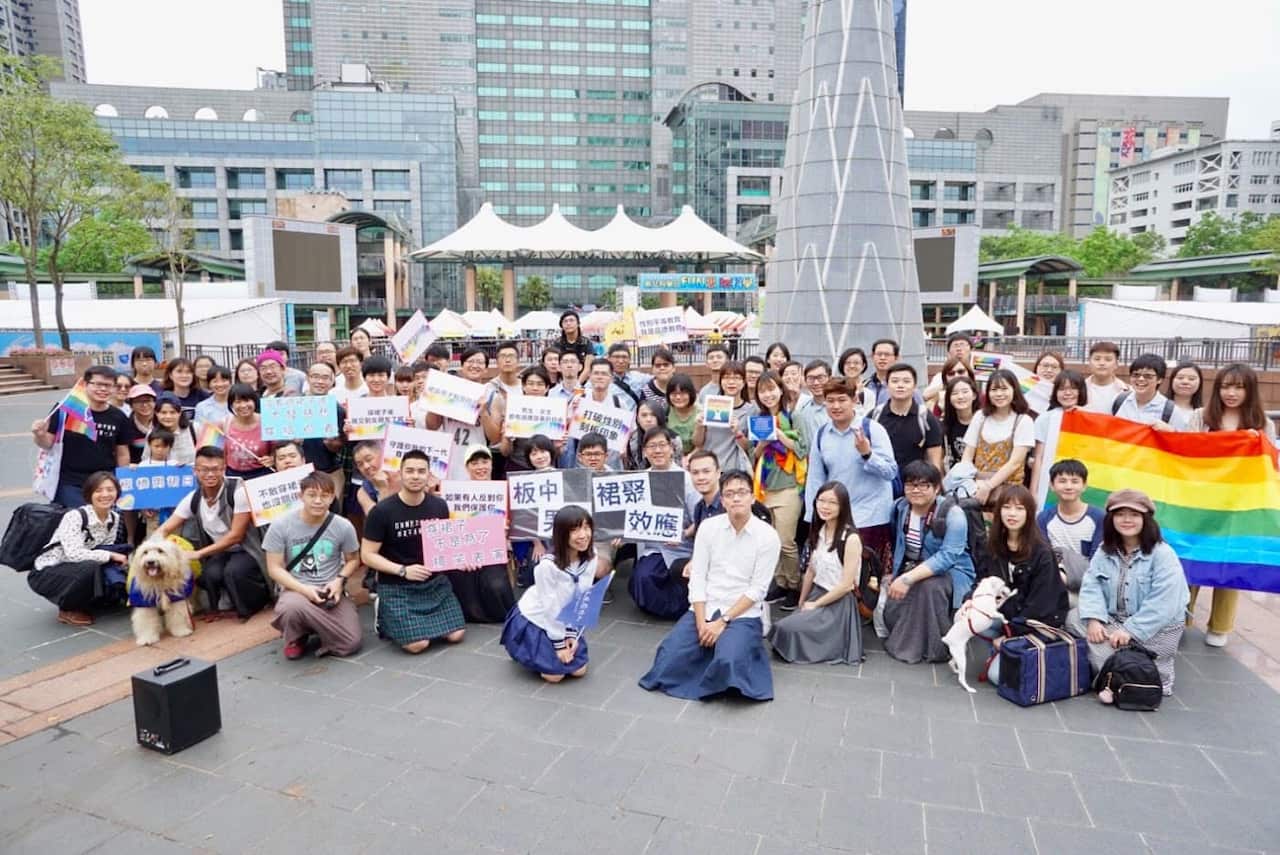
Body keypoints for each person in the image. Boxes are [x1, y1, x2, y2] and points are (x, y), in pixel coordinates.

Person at [639, 469, 780, 701]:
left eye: (742, 492)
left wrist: (722, 622)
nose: (736, 498)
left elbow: (758, 589)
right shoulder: (709, 527)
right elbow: (699, 577)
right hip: (707, 605)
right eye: (730, 493)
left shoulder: (767, 536)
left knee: (728, 661)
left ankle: (735, 652)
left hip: (741, 612)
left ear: (753, 497)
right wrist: (702, 622)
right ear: (722, 500)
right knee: (668, 658)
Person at [1185, 363, 1276, 647]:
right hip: (1199, 503)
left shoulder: (1262, 424)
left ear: (1250, 390)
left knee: (1232, 561)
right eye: (1225, 386)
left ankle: (1220, 626)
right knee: (1189, 558)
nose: (1231, 393)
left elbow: (1269, 470)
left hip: (1239, 506)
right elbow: (1184, 456)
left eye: (1238, 387)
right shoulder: (1201, 417)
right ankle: (1180, 616)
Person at [1077, 489, 1189, 697]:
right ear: (1111, 519)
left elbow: (1165, 604)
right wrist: (1094, 619)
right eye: (1120, 514)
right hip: (1114, 622)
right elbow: (1091, 585)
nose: (1126, 520)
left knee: (1092, 653)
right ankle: (1121, 671)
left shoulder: (1163, 554)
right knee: (1073, 617)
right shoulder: (1105, 549)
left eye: (1134, 515)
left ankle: (1128, 675)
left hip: (1154, 631)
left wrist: (1131, 631)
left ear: (1146, 519)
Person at [360, 449, 467, 654]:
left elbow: (444, 545)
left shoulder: (439, 506)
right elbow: (367, 555)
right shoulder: (382, 511)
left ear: (429, 475)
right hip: (397, 585)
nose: (415, 476)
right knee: (418, 645)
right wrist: (402, 570)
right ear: (400, 474)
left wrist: (460, 558)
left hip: (434, 583)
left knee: (456, 635)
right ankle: (383, 613)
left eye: (421, 471)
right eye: (409, 471)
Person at [156, 446, 270, 620]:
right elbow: (166, 527)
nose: (210, 474)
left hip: (246, 548)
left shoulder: (238, 491)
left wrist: (198, 553)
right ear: (196, 471)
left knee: (233, 571)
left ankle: (255, 604)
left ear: (223, 469)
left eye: (215, 469)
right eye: (204, 470)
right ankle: (217, 608)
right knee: (208, 574)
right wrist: (150, 547)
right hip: (221, 551)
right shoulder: (193, 498)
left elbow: (236, 536)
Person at [502, 505, 613, 682]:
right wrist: (559, 643)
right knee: (554, 676)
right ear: (561, 534)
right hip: (539, 619)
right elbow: (550, 607)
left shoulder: (591, 557)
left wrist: (572, 633)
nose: (583, 535)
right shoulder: (547, 566)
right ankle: (522, 648)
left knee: (579, 670)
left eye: (586, 527)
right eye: (575, 530)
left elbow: (581, 596)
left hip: (565, 617)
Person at [882, 461, 975, 664]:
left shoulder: (953, 514)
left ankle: (937, 648)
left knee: (928, 588)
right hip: (913, 566)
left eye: (924, 485)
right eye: (910, 484)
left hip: (954, 571)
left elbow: (947, 557)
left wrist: (907, 579)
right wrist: (895, 573)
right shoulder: (900, 508)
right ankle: (911, 639)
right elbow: (897, 543)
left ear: (937, 488)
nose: (916, 490)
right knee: (894, 604)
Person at [264, 471, 362, 659]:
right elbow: (274, 568)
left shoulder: (343, 526)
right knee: (291, 608)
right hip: (297, 589)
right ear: (300, 496)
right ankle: (297, 635)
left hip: (330, 590)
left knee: (351, 643)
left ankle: (319, 631)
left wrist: (339, 581)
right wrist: (304, 589)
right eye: (312, 495)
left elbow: (353, 560)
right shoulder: (280, 525)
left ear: (332, 497)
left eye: (325, 495)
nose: (318, 501)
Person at [803, 377, 897, 569]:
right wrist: (814, 517)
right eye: (830, 401)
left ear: (854, 400)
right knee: (834, 572)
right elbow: (815, 479)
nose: (836, 406)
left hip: (871, 516)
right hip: (837, 516)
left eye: (842, 400)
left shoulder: (873, 429)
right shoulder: (822, 434)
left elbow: (890, 472)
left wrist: (867, 454)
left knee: (866, 577)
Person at [769, 481, 864, 665]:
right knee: (781, 627)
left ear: (843, 506)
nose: (825, 507)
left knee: (788, 630)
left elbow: (846, 586)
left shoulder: (850, 538)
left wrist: (815, 605)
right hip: (817, 594)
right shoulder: (820, 530)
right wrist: (802, 601)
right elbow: (811, 570)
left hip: (838, 603)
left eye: (832, 502)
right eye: (821, 500)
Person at [28, 471, 128, 626]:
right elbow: (73, 555)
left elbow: (105, 547)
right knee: (91, 565)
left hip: (77, 567)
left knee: (103, 564)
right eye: (99, 490)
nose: (105, 494)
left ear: (117, 493)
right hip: (48, 572)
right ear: (89, 494)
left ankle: (91, 599)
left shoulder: (114, 518)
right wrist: (110, 555)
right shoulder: (75, 516)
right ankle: (67, 609)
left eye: (110, 490)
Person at [31, 365, 131, 508]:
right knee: (76, 521)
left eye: (108, 385)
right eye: (97, 384)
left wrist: (123, 480)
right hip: (70, 482)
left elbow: (122, 453)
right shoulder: (65, 410)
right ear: (85, 384)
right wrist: (39, 435)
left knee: (105, 524)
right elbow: (48, 443)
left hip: (104, 482)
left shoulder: (119, 417)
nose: (103, 389)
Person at [626, 428, 698, 619]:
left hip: (683, 547)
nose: (657, 451)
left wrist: (684, 534)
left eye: (661, 445)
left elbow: (701, 519)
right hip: (655, 548)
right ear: (644, 451)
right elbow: (630, 516)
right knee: (644, 578)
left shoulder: (687, 480)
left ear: (671, 448)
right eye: (651, 446)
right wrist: (620, 532)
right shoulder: (639, 480)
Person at [983, 485, 1068, 641]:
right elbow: (983, 581)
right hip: (1007, 612)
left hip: (1035, 624)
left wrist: (1010, 635)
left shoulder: (1042, 553)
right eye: (1006, 507)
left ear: (1029, 513)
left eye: (1020, 508)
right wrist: (970, 602)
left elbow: (1039, 606)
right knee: (974, 620)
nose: (1012, 514)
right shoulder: (994, 544)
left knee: (1005, 656)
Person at [750, 370, 805, 610]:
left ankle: (794, 585)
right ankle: (780, 583)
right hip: (765, 486)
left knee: (786, 542)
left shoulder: (793, 416)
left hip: (789, 486)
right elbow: (755, 454)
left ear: (781, 389)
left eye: (772, 388)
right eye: (763, 390)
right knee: (771, 541)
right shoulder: (758, 418)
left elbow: (802, 449)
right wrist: (762, 442)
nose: (768, 394)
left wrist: (779, 435)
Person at [960, 369, 1035, 505]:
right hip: (977, 488)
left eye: (1004, 389)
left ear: (1014, 390)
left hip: (1009, 492)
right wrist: (971, 483)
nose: (999, 394)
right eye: (994, 389)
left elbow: (1015, 463)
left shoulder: (1023, 421)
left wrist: (989, 486)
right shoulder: (980, 417)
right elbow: (967, 455)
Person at [873, 362, 944, 484]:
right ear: (887, 385)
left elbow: (935, 463)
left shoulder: (926, 418)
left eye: (906, 381)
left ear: (915, 386)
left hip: (915, 487)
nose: (900, 385)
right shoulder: (875, 416)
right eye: (895, 381)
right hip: (880, 484)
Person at [1028, 370, 1088, 501]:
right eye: (1062, 389)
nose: (1067, 393)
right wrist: (1033, 491)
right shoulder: (1045, 418)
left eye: (1073, 388)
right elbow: (1039, 457)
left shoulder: (1091, 417)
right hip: (1050, 482)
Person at [692, 360, 755, 474]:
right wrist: (699, 426)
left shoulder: (751, 410)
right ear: (720, 381)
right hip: (709, 469)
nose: (731, 382)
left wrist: (737, 432)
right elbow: (697, 443)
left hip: (734, 471)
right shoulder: (710, 405)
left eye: (736, 378)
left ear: (744, 382)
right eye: (726, 377)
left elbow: (749, 448)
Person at [1036, 459, 1105, 561]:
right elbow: (1043, 556)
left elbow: (1097, 559)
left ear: (1084, 486)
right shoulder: (1044, 518)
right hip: (1053, 573)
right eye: (1062, 481)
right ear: (1052, 485)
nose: (1068, 487)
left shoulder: (1099, 517)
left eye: (1074, 481)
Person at [300, 361, 346, 501]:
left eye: (325, 377)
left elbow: (342, 445)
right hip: (300, 473)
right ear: (308, 378)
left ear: (333, 381)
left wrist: (333, 444)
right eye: (315, 376)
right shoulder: (294, 406)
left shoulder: (337, 409)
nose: (320, 381)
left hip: (329, 472)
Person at [1111, 353, 1187, 430]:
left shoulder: (1170, 410)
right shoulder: (1119, 401)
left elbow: (1181, 440)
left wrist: (1170, 431)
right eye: (1136, 375)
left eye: (1148, 376)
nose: (1141, 379)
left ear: (1160, 379)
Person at [223, 383, 273, 479]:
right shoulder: (225, 423)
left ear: (254, 401)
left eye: (247, 400)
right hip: (233, 475)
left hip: (262, 475)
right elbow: (221, 454)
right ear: (231, 404)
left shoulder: (267, 421)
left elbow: (277, 449)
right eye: (238, 402)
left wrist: (272, 459)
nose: (243, 405)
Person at [623, 399, 679, 471]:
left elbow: (678, 468)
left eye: (653, 415)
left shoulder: (673, 438)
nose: (648, 419)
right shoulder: (633, 440)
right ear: (638, 419)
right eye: (644, 415)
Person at [143, 394, 196, 465]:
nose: (168, 416)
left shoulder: (195, 428)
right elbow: (146, 460)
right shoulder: (152, 433)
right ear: (156, 414)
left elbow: (206, 455)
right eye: (163, 413)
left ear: (179, 413)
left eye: (172, 412)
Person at [940, 375, 978, 472]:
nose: (960, 397)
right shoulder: (945, 426)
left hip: (982, 479)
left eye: (965, 392)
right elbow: (940, 458)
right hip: (957, 480)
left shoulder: (984, 422)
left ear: (974, 395)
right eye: (954, 393)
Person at [922, 334, 973, 406]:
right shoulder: (941, 376)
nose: (959, 349)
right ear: (948, 352)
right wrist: (946, 383)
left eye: (962, 345)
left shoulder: (981, 373)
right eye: (955, 345)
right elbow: (925, 396)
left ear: (971, 349)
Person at [1082, 340, 1128, 415]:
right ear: (1089, 362)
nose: (1102, 363)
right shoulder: (1078, 388)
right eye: (1097, 359)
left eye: (1108, 359)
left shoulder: (1127, 391)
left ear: (1116, 364)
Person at [664, 373, 699, 455]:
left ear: (691, 393)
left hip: (696, 457)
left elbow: (704, 444)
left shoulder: (701, 412)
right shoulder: (665, 412)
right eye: (674, 394)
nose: (678, 397)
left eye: (683, 393)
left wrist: (690, 457)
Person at [123, 384, 157, 464]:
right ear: (131, 405)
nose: (144, 405)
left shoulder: (162, 422)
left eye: (148, 400)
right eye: (139, 401)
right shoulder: (125, 426)